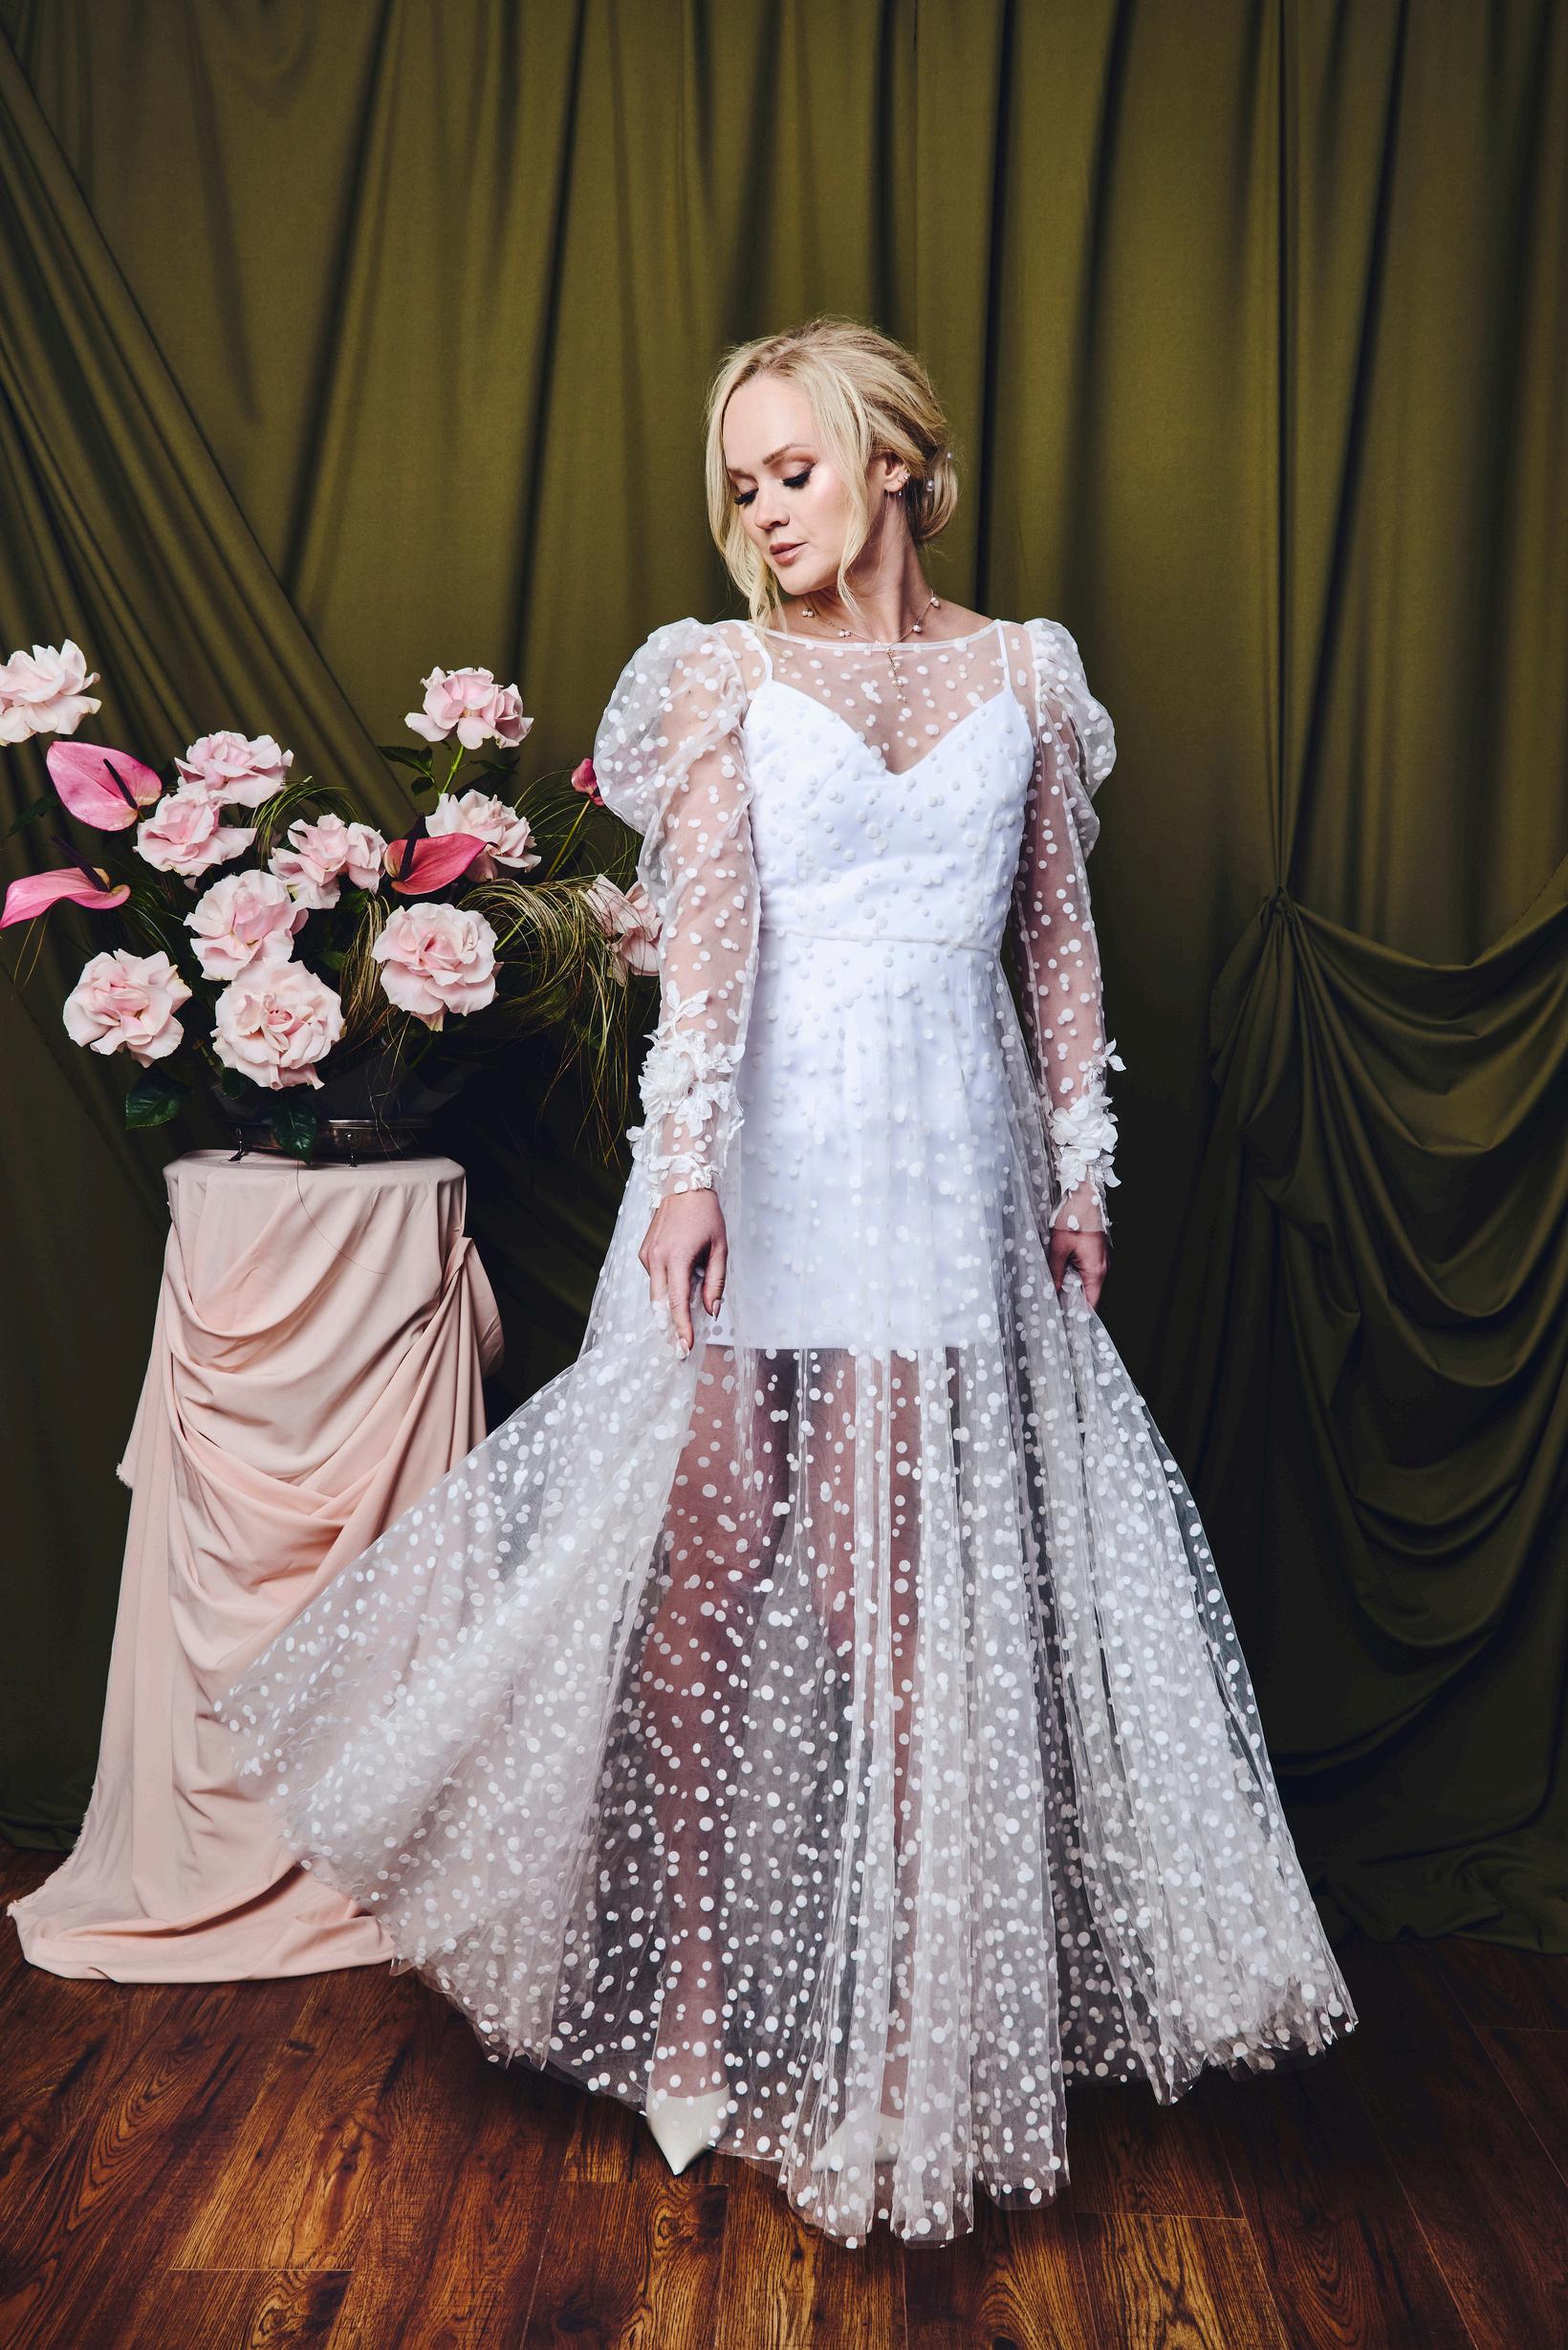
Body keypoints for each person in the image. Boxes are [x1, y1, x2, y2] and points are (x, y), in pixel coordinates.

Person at [220, 316, 1357, 2249]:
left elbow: (1055, 947)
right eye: (740, 482)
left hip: (954, 1183)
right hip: (766, 1172)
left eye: (793, 469)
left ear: (892, 460)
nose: (761, 508)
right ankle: (683, 2000)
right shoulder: (723, 673)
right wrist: (683, 1177)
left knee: (908, 1601)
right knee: (697, 1583)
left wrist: (1082, 1172)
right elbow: (717, 950)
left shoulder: (1025, 670)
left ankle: (907, 2027)